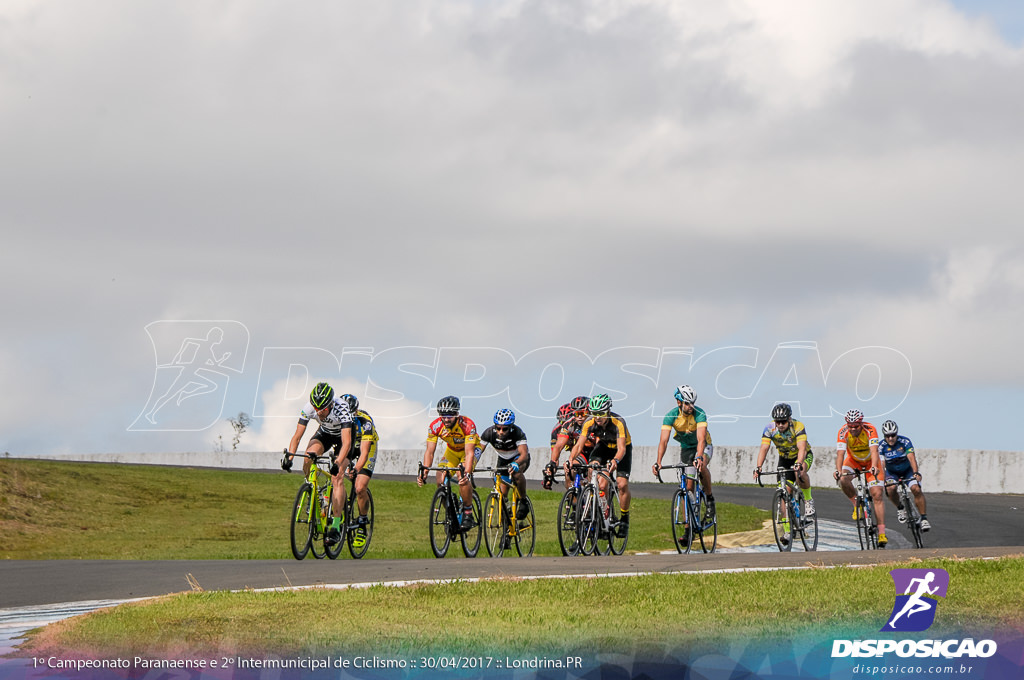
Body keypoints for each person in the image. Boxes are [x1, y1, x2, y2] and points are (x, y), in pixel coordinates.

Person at [281, 382, 356, 545]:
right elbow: (297, 436)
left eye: (322, 410)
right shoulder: (309, 407)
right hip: (326, 433)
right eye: (316, 409)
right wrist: (290, 459)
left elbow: (347, 443)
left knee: (337, 477)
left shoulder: (342, 408)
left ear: (330, 405)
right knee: (308, 458)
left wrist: (337, 462)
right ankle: (314, 493)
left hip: (344, 439)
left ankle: (335, 527)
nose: (318, 413)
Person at [568, 394, 632, 537]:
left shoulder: (618, 422)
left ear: (608, 411)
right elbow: (579, 444)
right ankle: (600, 514)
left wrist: (615, 460)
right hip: (603, 447)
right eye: (594, 413)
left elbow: (621, 449)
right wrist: (571, 459)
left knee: (622, 484)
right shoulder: (589, 422)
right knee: (595, 475)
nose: (597, 417)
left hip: (621, 450)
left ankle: (624, 519)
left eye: (601, 414)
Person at [753, 403, 815, 547]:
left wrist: (799, 463)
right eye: (777, 422)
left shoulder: (798, 426)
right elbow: (764, 447)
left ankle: (808, 500)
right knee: (783, 494)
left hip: (802, 455)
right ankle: (788, 531)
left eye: (783, 422)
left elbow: (802, 448)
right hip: (785, 459)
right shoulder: (769, 429)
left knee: (799, 471)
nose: (780, 425)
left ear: (789, 419)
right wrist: (759, 466)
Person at [653, 385, 717, 523]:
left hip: (704, 446)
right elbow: (663, 441)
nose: (691, 406)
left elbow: (701, 439)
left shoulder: (699, 413)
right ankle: (688, 529)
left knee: (702, 466)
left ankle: (710, 498)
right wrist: (658, 461)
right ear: (679, 402)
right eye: (687, 403)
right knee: (687, 489)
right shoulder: (671, 416)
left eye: (693, 403)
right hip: (687, 449)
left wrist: (699, 457)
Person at [417, 395, 481, 529]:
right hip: (451, 452)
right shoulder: (435, 426)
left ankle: (468, 513)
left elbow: (469, 453)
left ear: (457, 414)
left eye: (450, 416)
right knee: (440, 478)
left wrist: (467, 473)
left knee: (461, 476)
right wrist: (425, 471)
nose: (446, 419)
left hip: (469, 450)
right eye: (443, 415)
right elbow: (429, 451)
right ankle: (451, 511)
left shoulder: (468, 425)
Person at [833, 409, 889, 547]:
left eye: (856, 426)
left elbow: (874, 451)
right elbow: (840, 454)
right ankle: (856, 504)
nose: (852, 429)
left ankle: (881, 533)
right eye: (850, 426)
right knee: (843, 480)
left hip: (871, 462)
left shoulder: (870, 429)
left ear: (861, 424)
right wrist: (838, 470)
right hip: (854, 461)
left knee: (877, 494)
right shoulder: (842, 432)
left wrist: (875, 466)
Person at [340, 394, 379, 548]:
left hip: (366, 448)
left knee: (360, 487)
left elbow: (364, 452)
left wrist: (355, 469)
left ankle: (362, 523)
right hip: (349, 447)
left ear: (355, 412)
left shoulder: (365, 422)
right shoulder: (337, 418)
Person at [478, 408, 531, 520]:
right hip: (503, 459)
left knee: (516, 474)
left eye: (504, 429)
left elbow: (524, 454)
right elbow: (478, 451)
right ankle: (506, 522)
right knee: (502, 493)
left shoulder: (517, 432)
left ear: (510, 427)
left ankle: (523, 501)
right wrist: (471, 463)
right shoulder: (488, 433)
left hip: (518, 459)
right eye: (498, 428)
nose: (501, 431)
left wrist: (516, 463)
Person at [878, 419, 930, 532]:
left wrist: (916, 472)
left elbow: (911, 458)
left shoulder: (905, 441)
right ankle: (900, 508)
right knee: (890, 488)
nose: (890, 438)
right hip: (892, 473)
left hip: (907, 470)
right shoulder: (881, 446)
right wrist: (883, 479)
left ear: (897, 433)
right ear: (884, 435)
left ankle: (924, 518)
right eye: (887, 436)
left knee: (916, 489)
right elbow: (882, 464)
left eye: (893, 435)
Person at [544, 395, 594, 490]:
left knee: (593, 473)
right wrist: (553, 463)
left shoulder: (595, 422)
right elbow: (558, 447)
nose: (579, 417)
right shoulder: (568, 424)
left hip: (596, 452)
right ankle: (573, 500)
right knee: (569, 470)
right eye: (576, 414)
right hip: (582, 452)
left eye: (582, 414)